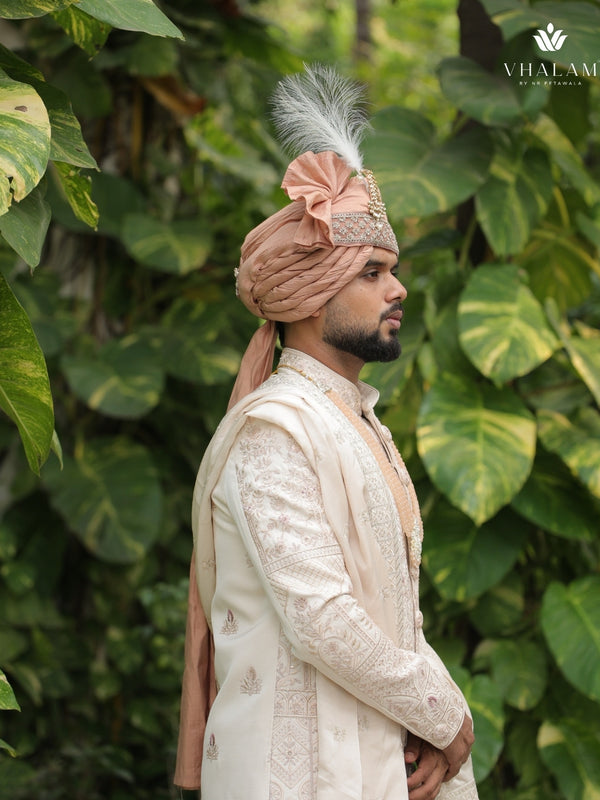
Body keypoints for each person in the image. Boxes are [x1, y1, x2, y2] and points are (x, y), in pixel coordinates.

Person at [174, 65, 478, 800]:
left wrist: (439, 729)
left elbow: (394, 618)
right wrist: (445, 713)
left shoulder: (354, 416)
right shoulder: (275, 432)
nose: (397, 288)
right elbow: (322, 619)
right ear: (308, 296)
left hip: (380, 760)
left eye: (393, 269)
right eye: (373, 271)